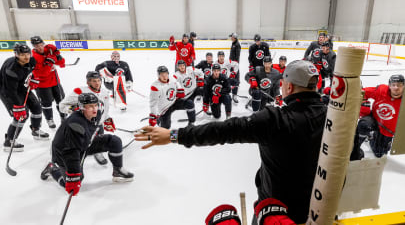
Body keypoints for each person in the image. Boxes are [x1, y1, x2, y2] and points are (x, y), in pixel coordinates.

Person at [134, 60, 326, 224]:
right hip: (322, 209)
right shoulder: (334, 118)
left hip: (274, 212)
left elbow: (223, 130)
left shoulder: (274, 120)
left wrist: (174, 135)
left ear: (289, 87)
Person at [40, 93, 134, 195]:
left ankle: (118, 171)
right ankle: (52, 169)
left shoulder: (96, 114)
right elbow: (71, 152)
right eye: (90, 106)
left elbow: (94, 127)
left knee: (114, 142)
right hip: (63, 152)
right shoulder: (75, 124)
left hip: (84, 144)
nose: (94, 109)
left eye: (95, 105)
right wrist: (74, 177)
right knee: (75, 181)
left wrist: (106, 121)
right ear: (82, 108)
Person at [0, 44, 49, 151]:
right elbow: (10, 91)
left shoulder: (31, 61)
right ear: (16, 55)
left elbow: (31, 71)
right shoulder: (12, 69)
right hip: (7, 91)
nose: (26, 57)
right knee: (21, 115)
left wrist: (34, 79)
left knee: (37, 108)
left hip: (21, 87)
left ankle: (35, 130)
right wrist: (18, 107)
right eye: (22, 55)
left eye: (28, 54)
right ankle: (9, 140)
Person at [59, 71, 114, 165]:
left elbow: (104, 108)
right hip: (82, 123)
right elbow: (62, 105)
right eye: (93, 81)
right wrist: (74, 109)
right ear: (88, 82)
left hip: (97, 123)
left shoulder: (104, 92)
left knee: (99, 139)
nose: (97, 83)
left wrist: (107, 119)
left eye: (98, 80)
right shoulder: (79, 91)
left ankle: (98, 152)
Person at [351, 74, 405, 160]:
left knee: (379, 153)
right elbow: (362, 92)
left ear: (404, 86)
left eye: (399, 85)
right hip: (374, 119)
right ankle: (354, 148)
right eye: (393, 85)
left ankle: (372, 136)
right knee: (364, 125)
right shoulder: (381, 90)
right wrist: (364, 105)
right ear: (389, 86)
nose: (396, 88)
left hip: (388, 128)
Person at [30, 36, 67, 128]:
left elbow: (62, 64)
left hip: (55, 82)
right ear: (33, 47)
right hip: (43, 84)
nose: (40, 47)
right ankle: (49, 119)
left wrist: (57, 56)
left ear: (43, 43)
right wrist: (49, 63)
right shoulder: (33, 58)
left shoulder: (49, 50)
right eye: (36, 46)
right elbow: (42, 73)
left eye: (41, 44)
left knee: (61, 100)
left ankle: (64, 117)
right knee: (46, 104)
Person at [229, 33, 241, 103]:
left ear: (234, 37)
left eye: (232, 37)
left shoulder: (237, 45)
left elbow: (237, 56)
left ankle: (235, 95)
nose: (231, 38)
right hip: (231, 64)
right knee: (230, 78)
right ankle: (230, 94)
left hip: (234, 65)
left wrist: (235, 66)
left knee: (236, 80)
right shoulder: (233, 44)